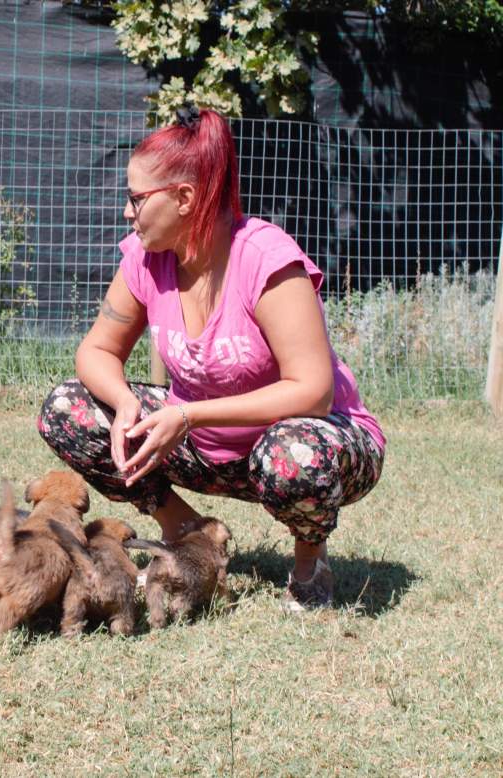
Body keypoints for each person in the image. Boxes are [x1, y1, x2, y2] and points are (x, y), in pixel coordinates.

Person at [37, 107, 385, 611]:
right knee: (67, 408)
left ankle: (311, 562)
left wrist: (188, 413)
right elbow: (95, 351)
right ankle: (186, 531)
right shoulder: (145, 258)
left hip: (311, 437)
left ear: (184, 198)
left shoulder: (266, 258)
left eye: (136, 199)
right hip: (202, 443)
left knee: (295, 457)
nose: (127, 213)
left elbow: (313, 390)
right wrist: (124, 403)